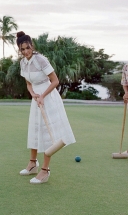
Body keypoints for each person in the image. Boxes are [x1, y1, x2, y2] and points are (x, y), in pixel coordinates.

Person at [16, 31, 76, 184]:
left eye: (27, 48)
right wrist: (33, 94)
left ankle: (45, 170)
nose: (25, 52)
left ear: (32, 45)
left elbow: (55, 81)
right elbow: (28, 83)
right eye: (22, 49)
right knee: (35, 129)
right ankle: (32, 164)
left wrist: (43, 96)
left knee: (47, 133)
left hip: (48, 97)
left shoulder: (41, 60)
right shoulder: (23, 62)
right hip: (37, 98)